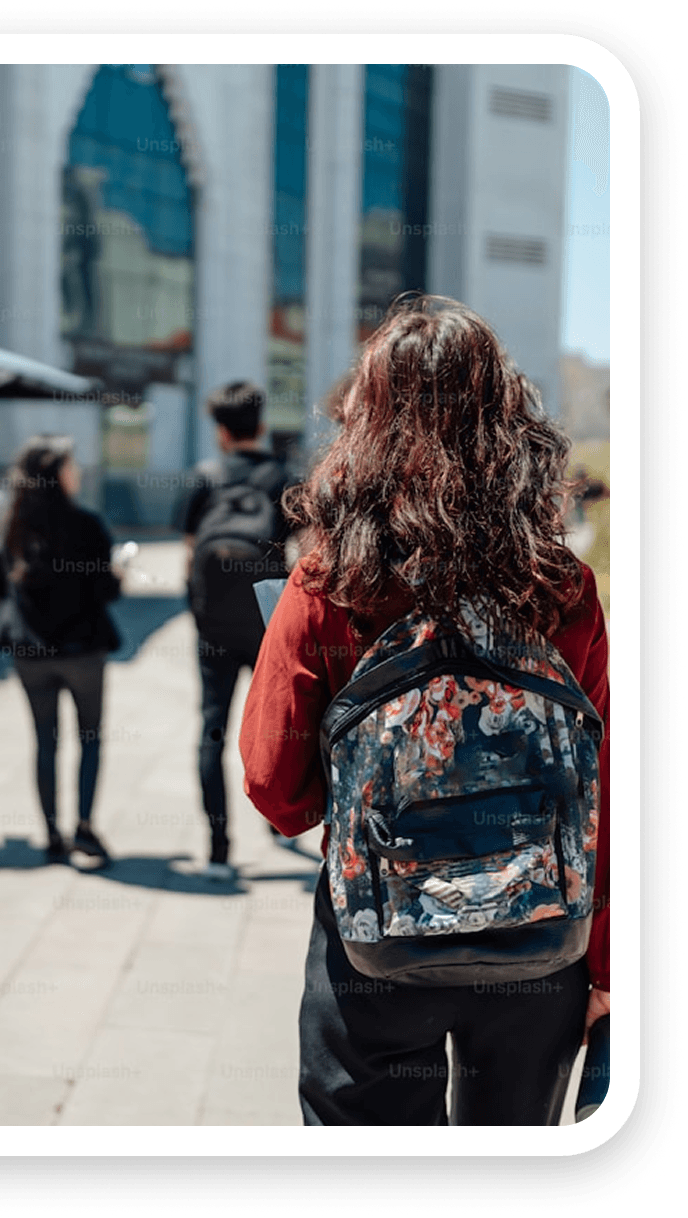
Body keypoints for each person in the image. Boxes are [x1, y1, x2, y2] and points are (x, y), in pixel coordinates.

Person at [239, 293, 610, 1125]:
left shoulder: (328, 583)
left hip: (375, 938)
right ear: (508, 420)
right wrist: (609, 965)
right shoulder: (562, 587)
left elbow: (275, 786)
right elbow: (609, 788)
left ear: (364, 422)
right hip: (542, 938)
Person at [173, 381, 295, 878]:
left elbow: (187, 555)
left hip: (214, 627)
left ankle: (219, 849)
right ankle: (277, 818)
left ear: (221, 432)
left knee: (212, 731)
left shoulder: (203, 478)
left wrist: (199, 611)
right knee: (277, 729)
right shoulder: (283, 478)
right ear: (261, 426)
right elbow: (303, 556)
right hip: (266, 624)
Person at [0, 435, 121, 864]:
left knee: (44, 742)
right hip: (82, 650)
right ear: (55, 475)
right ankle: (84, 828)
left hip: (30, 652)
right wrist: (117, 572)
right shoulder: (87, 524)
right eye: (71, 465)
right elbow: (104, 590)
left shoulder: (12, 526)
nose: (78, 472)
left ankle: (50, 832)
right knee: (90, 739)